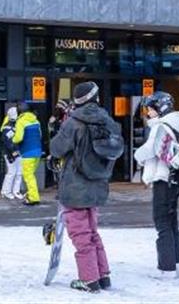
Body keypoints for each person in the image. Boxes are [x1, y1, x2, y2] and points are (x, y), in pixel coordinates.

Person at [49, 81, 121, 293]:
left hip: (75, 185)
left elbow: (57, 148)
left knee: (80, 235)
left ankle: (89, 280)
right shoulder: (107, 120)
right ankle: (103, 275)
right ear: (96, 97)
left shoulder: (73, 122)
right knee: (92, 232)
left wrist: (55, 131)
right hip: (98, 184)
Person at [134, 91, 179, 279]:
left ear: (160, 108)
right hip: (175, 179)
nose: (148, 112)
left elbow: (151, 149)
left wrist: (137, 156)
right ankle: (178, 264)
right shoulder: (177, 124)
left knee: (162, 223)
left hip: (163, 178)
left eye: (150, 109)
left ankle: (166, 268)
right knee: (172, 222)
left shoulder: (161, 127)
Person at [12, 101, 43, 205]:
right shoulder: (36, 120)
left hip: (27, 152)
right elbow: (40, 135)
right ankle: (31, 195)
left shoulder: (21, 121)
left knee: (28, 176)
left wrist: (13, 139)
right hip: (38, 151)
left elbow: (18, 138)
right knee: (31, 175)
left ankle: (34, 198)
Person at [0, 105, 24, 200]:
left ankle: (15, 191)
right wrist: (12, 153)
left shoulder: (16, 125)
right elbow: (8, 142)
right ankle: (6, 191)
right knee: (12, 172)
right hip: (11, 153)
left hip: (17, 152)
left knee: (18, 173)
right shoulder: (8, 128)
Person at [46, 99, 72, 188]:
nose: (58, 109)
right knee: (56, 165)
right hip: (57, 145)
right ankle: (59, 183)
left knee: (63, 166)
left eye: (60, 107)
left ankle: (63, 185)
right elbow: (50, 130)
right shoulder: (55, 118)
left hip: (65, 146)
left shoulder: (68, 118)